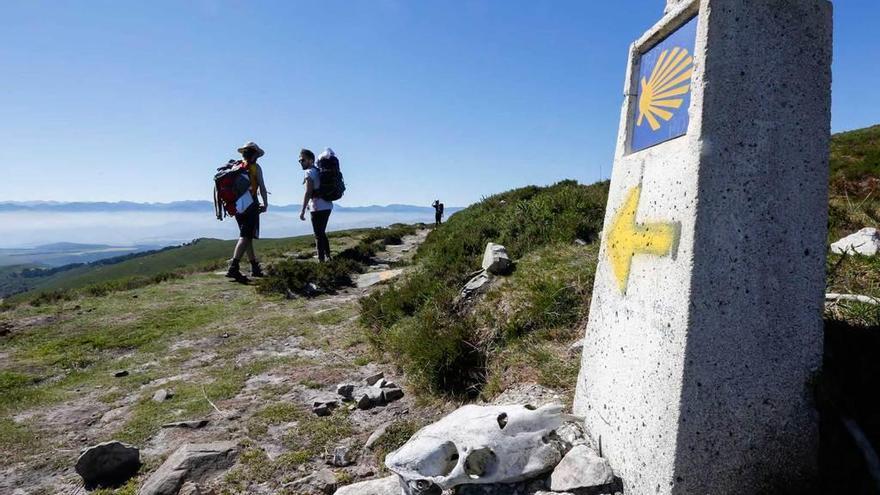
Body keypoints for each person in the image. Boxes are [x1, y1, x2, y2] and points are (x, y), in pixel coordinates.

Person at [226, 141, 268, 279]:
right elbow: (261, 187)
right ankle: (234, 266)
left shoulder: (236, 167)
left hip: (237, 206)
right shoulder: (255, 168)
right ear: (255, 154)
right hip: (251, 204)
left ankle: (254, 267)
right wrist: (265, 203)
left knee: (247, 236)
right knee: (245, 236)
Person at [299, 148, 334, 262]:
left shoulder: (309, 172)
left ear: (310, 160)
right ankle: (328, 256)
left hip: (317, 207)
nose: (301, 162)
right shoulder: (319, 171)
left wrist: (303, 210)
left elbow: (308, 192)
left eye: (302, 160)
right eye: (300, 161)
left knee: (318, 234)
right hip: (327, 205)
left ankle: (321, 261)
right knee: (321, 232)